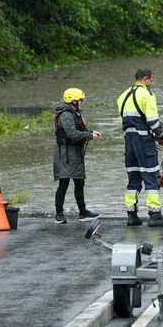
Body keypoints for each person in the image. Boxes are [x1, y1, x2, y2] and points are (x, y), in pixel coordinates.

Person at [115, 68, 163, 227]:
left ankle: (131, 215)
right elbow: (153, 121)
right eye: (151, 81)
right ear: (146, 79)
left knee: (133, 178)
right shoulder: (147, 95)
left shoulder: (123, 96)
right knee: (151, 176)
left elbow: (125, 122)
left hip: (129, 141)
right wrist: (162, 135)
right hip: (144, 142)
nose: (151, 84)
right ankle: (155, 215)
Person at [53, 87, 102, 224]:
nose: (82, 103)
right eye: (81, 100)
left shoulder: (74, 113)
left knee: (79, 182)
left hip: (75, 153)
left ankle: (83, 212)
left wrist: (92, 132)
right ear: (73, 101)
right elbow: (72, 134)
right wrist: (90, 136)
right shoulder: (66, 115)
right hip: (65, 155)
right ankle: (59, 214)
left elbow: (80, 130)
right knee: (64, 182)